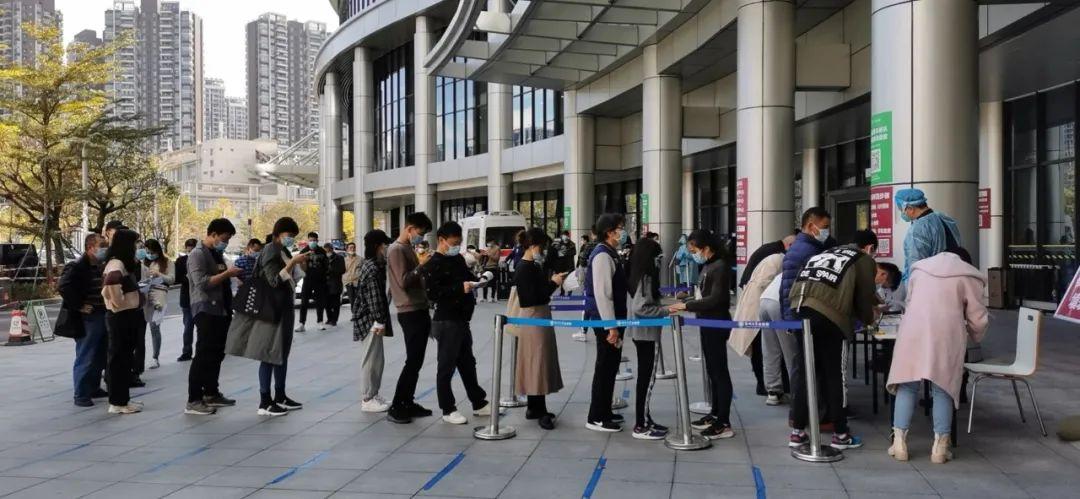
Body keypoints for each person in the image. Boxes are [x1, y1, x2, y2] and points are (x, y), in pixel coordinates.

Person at [887, 248, 987, 464]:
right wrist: (976, 335)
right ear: (965, 261)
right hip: (946, 334)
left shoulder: (919, 270)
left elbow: (910, 301)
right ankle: (940, 448)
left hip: (913, 331)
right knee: (942, 388)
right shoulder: (968, 275)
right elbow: (978, 317)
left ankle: (899, 443)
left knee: (907, 385)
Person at [787, 229, 879, 450]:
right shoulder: (863, 259)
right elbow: (865, 296)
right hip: (829, 317)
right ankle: (840, 434)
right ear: (869, 248)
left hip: (799, 310)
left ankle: (797, 432)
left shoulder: (826, 253)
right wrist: (870, 319)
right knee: (833, 375)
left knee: (806, 373)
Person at [226, 217, 308, 417]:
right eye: (289, 235)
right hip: (271, 309)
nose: (291, 238)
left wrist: (299, 264)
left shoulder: (283, 250)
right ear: (278, 233)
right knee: (269, 353)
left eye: (293, 236)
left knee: (281, 353)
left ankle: (280, 395)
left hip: (283, 306)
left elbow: (292, 277)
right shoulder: (271, 249)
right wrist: (293, 262)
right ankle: (265, 401)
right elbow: (274, 280)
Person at [419, 221, 493, 425]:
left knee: (467, 363)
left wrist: (480, 280)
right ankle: (448, 408)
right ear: (441, 240)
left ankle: (478, 402)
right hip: (446, 320)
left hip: (462, 319)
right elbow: (433, 294)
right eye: (453, 243)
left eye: (459, 242)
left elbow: (468, 277)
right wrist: (460, 288)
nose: (456, 246)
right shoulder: (433, 264)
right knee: (446, 365)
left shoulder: (458, 259)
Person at [669, 229, 736, 440]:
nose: (694, 254)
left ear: (706, 248)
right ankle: (715, 413)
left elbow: (716, 298)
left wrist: (687, 305)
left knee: (719, 372)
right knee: (712, 371)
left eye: (694, 250)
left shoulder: (720, 266)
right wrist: (688, 300)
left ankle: (723, 422)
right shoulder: (708, 265)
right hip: (706, 322)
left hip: (716, 322)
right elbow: (703, 294)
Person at [185, 218, 243, 416]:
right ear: (213, 234)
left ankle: (211, 392)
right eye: (224, 238)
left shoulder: (216, 254)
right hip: (205, 309)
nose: (225, 243)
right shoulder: (197, 254)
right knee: (203, 354)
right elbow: (201, 283)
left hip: (221, 309)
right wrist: (227, 274)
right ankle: (194, 399)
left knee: (217, 353)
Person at [511, 228, 566, 430]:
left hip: (539, 318)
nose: (543, 251)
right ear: (533, 246)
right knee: (537, 362)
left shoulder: (531, 265)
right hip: (534, 319)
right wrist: (553, 283)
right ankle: (540, 410)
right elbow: (530, 299)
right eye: (542, 247)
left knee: (537, 361)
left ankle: (534, 407)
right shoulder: (524, 267)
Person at [386, 212, 435, 424]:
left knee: (417, 360)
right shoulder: (396, 249)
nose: (420, 237)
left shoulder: (407, 248)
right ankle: (397, 405)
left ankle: (408, 401)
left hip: (418, 308)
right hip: (409, 310)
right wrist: (422, 265)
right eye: (420, 233)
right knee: (413, 360)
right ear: (410, 228)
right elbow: (403, 281)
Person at [584, 213, 629, 432]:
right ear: (610, 232)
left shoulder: (610, 253)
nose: (623, 232)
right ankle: (596, 417)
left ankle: (605, 410)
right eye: (620, 228)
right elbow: (603, 294)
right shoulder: (602, 255)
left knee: (610, 366)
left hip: (613, 319)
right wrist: (611, 327)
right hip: (605, 322)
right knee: (604, 367)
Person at [739, 234, 797, 396]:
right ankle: (787, 387)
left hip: (760, 303)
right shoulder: (779, 256)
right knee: (781, 348)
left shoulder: (769, 251)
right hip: (767, 303)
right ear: (789, 246)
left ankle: (771, 388)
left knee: (769, 349)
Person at [626, 236, 669, 439]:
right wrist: (666, 310)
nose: (659, 261)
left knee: (645, 378)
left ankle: (645, 418)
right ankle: (641, 425)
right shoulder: (646, 277)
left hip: (641, 334)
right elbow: (641, 308)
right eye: (657, 257)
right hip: (647, 334)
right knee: (647, 379)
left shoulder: (637, 275)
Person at [60, 234, 110, 407]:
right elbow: (63, 286)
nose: (105, 249)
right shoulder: (76, 266)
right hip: (89, 317)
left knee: (100, 354)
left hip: (102, 312)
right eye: (101, 246)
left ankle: (94, 387)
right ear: (90, 248)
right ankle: (81, 394)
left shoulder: (100, 266)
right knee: (86, 354)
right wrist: (79, 305)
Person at [732, 247, 786, 404]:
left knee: (765, 350)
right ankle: (770, 386)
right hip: (762, 308)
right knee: (769, 350)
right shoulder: (778, 258)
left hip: (757, 307)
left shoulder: (768, 254)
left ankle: (767, 386)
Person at [101, 229, 144, 415]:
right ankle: (117, 402)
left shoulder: (122, 263)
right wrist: (120, 304)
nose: (137, 247)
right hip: (121, 316)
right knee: (119, 359)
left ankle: (122, 399)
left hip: (126, 315)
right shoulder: (116, 264)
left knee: (124, 358)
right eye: (134, 243)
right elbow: (111, 285)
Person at [352, 230, 394, 412]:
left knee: (377, 360)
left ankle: (374, 393)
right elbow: (374, 297)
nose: (387, 248)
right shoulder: (371, 268)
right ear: (377, 246)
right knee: (371, 360)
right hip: (370, 321)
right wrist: (379, 320)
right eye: (385, 245)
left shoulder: (375, 265)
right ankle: (367, 398)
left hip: (372, 319)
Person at [895, 188, 961, 281]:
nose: (902, 213)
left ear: (910, 208)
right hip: (955, 276)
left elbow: (916, 267)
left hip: (932, 282)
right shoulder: (944, 218)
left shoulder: (918, 229)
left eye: (901, 210)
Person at [139, 239, 174, 370]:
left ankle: (155, 357)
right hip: (144, 295)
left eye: (152, 252)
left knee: (154, 326)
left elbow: (171, 279)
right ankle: (138, 360)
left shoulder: (167, 262)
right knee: (140, 329)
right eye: (147, 252)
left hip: (159, 295)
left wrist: (159, 274)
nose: (149, 254)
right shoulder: (143, 262)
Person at [296, 232, 328, 332]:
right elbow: (300, 266)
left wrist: (324, 276)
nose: (312, 242)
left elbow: (326, 266)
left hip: (320, 280)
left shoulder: (322, 251)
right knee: (304, 302)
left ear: (317, 240)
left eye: (314, 240)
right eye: (311, 240)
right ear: (308, 240)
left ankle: (320, 322)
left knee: (320, 302)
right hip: (308, 279)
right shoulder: (304, 251)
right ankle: (302, 323)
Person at [175, 238, 197, 362]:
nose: (191, 250)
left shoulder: (202, 259)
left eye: (193, 247)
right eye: (189, 248)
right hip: (187, 297)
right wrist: (188, 278)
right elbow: (177, 278)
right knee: (188, 326)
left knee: (203, 327)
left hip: (200, 297)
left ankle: (202, 351)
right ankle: (186, 352)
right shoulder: (181, 261)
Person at [573, 233, 597, 341]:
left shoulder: (589, 247)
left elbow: (582, 262)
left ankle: (583, 331)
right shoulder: (609, 249)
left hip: (591, 283)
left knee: (587, 306)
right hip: (603, 286)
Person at [324, 242, 346, 327]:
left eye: (328, 249)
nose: (327, 251)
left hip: (335, 283)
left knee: (335, 303)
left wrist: (331, 270)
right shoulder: (323, 258)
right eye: (326, 250)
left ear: (332, 249)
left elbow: (343, 270)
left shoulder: (339, 258)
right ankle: (329, 318)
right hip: (325, 284)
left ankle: (334, 320)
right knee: (326, 303)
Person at [551, 231, 577, 295]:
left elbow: (574, 252)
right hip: (561, 265)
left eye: (566, 236)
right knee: (562, 278)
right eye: (564, 236)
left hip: (569, 264)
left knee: (569, 278)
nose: (565, 237)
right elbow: (555, 251)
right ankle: (562, 292)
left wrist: (566, 252)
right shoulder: (558, 243)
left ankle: (569, 292)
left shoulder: (572, 244)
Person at [343, 242, 361, 309]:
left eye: (354, 247)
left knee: (358, 300)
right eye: (350, 248)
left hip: (357, 282)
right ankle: (354, 313)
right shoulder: (344, 260)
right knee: (352, 300)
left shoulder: (360, 259)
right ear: (347, 249)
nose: (352, 249)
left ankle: (358, 313)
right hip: (348, 282)